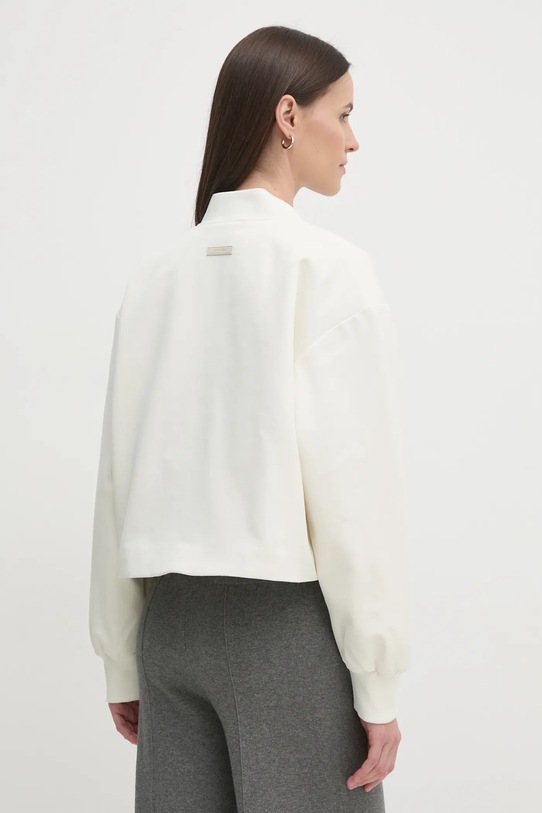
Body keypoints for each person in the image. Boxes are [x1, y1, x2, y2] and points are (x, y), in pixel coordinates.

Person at [89, 24, 412, 813]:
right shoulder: (327, 272)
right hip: (283, 639)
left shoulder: (154, 281)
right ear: (289, 116)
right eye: (344, 114)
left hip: (170, 633)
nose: (355, 140)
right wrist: (376, 680)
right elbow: (353, 499)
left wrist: (122, 659)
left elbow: (116, 484)